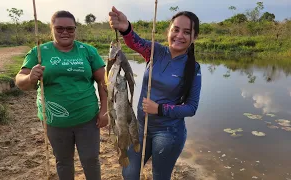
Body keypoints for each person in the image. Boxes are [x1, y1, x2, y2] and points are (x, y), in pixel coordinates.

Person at [108, 6, 202, 180]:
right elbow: (134, 41)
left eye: (187, 32)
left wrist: (159, 109)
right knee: (129, 172)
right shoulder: (155, 51)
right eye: (176, 29)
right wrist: (125, 27)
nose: (179, 36)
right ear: (169, 31)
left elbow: (191, 108)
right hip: (140, 127)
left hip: (168, 133)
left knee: (159, 176)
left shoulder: (193, 68)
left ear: (194, 37)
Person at [15, 10, 108, 180]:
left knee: (91, 159)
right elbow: (20, 81)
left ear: (75, 29)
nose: (65, 32)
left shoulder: (88, 51)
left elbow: (103, 82)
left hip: (87, 118)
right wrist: (30, 77)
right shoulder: (39, 52)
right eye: (59, 28)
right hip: (54, 121)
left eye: (70, 29)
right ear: (52, 29)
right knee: (63, 161)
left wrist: (104, 110)